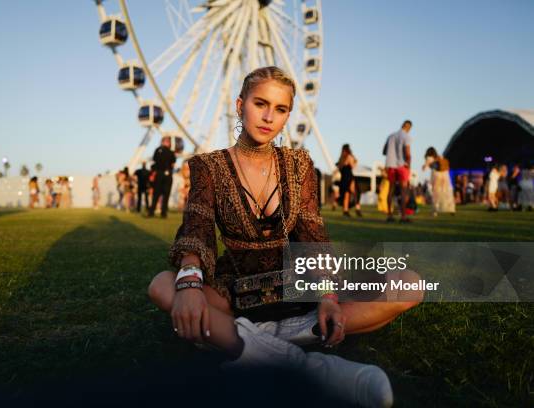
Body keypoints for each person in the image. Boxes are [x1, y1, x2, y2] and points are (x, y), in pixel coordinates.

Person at [148, 67, 423, 407]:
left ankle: (250, 341)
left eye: (280, 109)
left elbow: (312, 233)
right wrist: (190, 284)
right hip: (234, 290)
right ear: (240, 104)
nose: (268, 117)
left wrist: (327, 294)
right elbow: (197, 227)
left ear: (288, 115)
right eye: (260, 103)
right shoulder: (209, 166)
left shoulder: (299, 164)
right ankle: (300, 360)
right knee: (163, 285)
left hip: (296, 285)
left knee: (409, 284)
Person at [383, 121, 413, 222]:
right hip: (402, 165)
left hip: (391, 165)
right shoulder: (406, 136)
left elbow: (384, 151)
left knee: (390, 190)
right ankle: (403, 216)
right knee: (403, 190)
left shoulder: (391, 136)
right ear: (409, 127)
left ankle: (389, 215)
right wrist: (408, 165)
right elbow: (408, 153)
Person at [422, 147, 455, 216]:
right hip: (445, 175)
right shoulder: (440, 157)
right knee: (446, 192)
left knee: (436, 194)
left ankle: (435, 211)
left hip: (436, 175)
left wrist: (424, 167)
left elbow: (424, 168)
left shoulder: (429, 158)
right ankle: (451, 209)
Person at [148, 137, 176, 218]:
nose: (168, 143)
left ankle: (159, 212)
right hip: (162, 174)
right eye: (167, 141)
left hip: (164, 174)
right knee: (159, 194)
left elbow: (172, 164)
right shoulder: (163, 151)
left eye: (168, 141)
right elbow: (172, 164)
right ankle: (155, 212)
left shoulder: (168, 152)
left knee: (162, 194)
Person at [336, 144, 362, 217]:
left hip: (343, 178)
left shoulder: (341, 158)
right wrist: (355, 161)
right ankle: (357, 208)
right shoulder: (349, 156)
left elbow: (339, 167)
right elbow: (353, 166)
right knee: (356, 193)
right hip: (349, 177)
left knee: (346, 194)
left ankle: (345, 210)